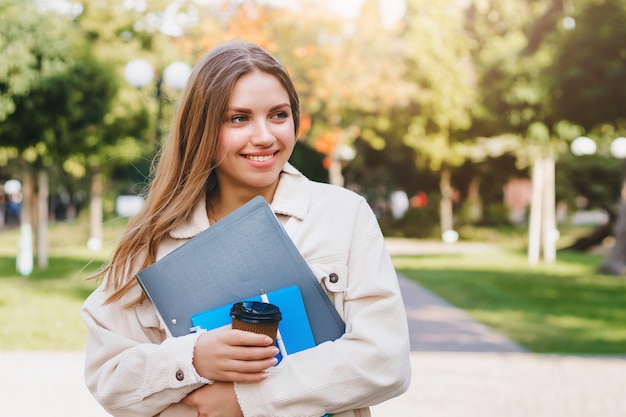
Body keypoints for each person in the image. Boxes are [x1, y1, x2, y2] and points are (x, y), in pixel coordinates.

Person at [81, 41, 411, 417]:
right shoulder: (153, 239)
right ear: (202, 129)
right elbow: (109, 380)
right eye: (239, 118)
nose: (265, 136)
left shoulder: (342, 214)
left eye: (278, 115)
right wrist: (192, 360)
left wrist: (246, 400)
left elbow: (386, 361)